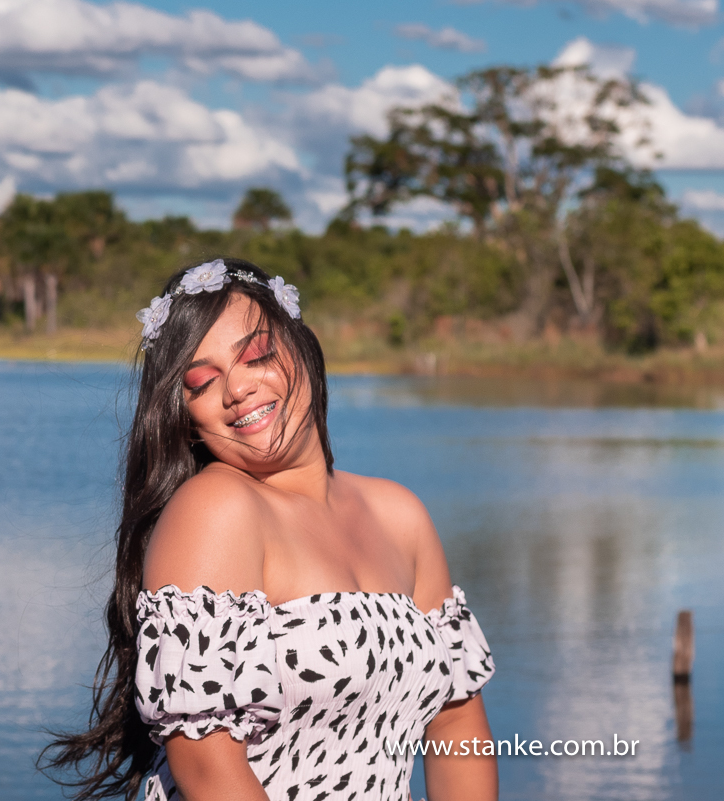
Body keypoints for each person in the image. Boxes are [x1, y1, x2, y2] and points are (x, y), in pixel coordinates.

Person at [42, 258, 497, 801]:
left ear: (303, 346)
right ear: (186, 416)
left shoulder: (400, 514)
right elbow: (207, 764)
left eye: (256, 355)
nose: (237, 389)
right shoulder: (217, 508)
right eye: (202, 382)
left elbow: (456, 726)